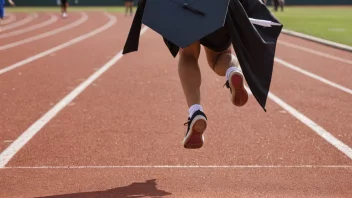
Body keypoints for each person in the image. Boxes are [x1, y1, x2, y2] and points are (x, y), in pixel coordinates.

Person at [122, 0, 282, 149]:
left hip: (181, 4)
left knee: (188, 55)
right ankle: (232, 71)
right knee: (219, 57)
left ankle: (196, 111)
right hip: (218, 5)